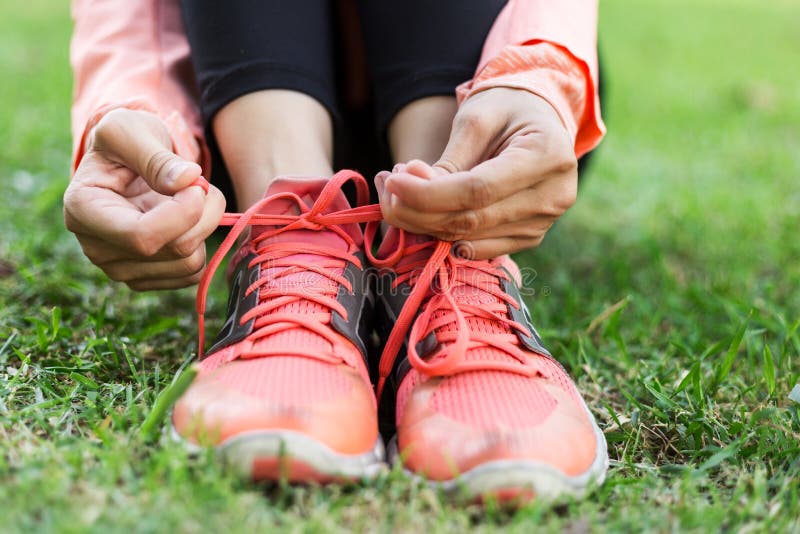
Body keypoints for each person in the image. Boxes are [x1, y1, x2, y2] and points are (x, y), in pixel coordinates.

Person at [64, 0, 608, 501]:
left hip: (496, 114)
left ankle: (447, 247)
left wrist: (539, 78)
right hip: (237, 120)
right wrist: (138, 104)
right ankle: (292, 231)